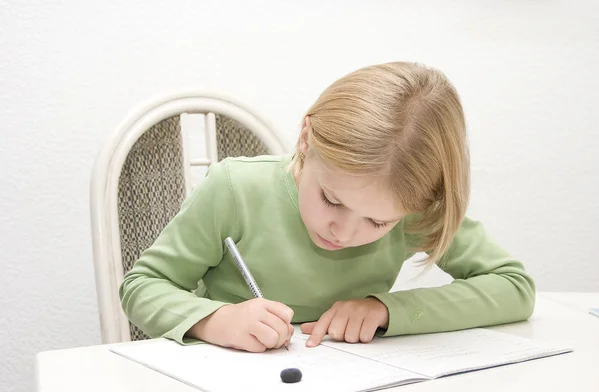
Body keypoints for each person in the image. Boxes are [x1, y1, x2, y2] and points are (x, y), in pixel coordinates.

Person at [119, 61, 535, 353]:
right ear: (306, 140)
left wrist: (386, 309)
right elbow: (142, 286)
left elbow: (513, 288)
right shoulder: (235, 188)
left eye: (377, 221)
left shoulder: (414, 205)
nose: (344, 231)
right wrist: (214, 320)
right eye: (331, 200)